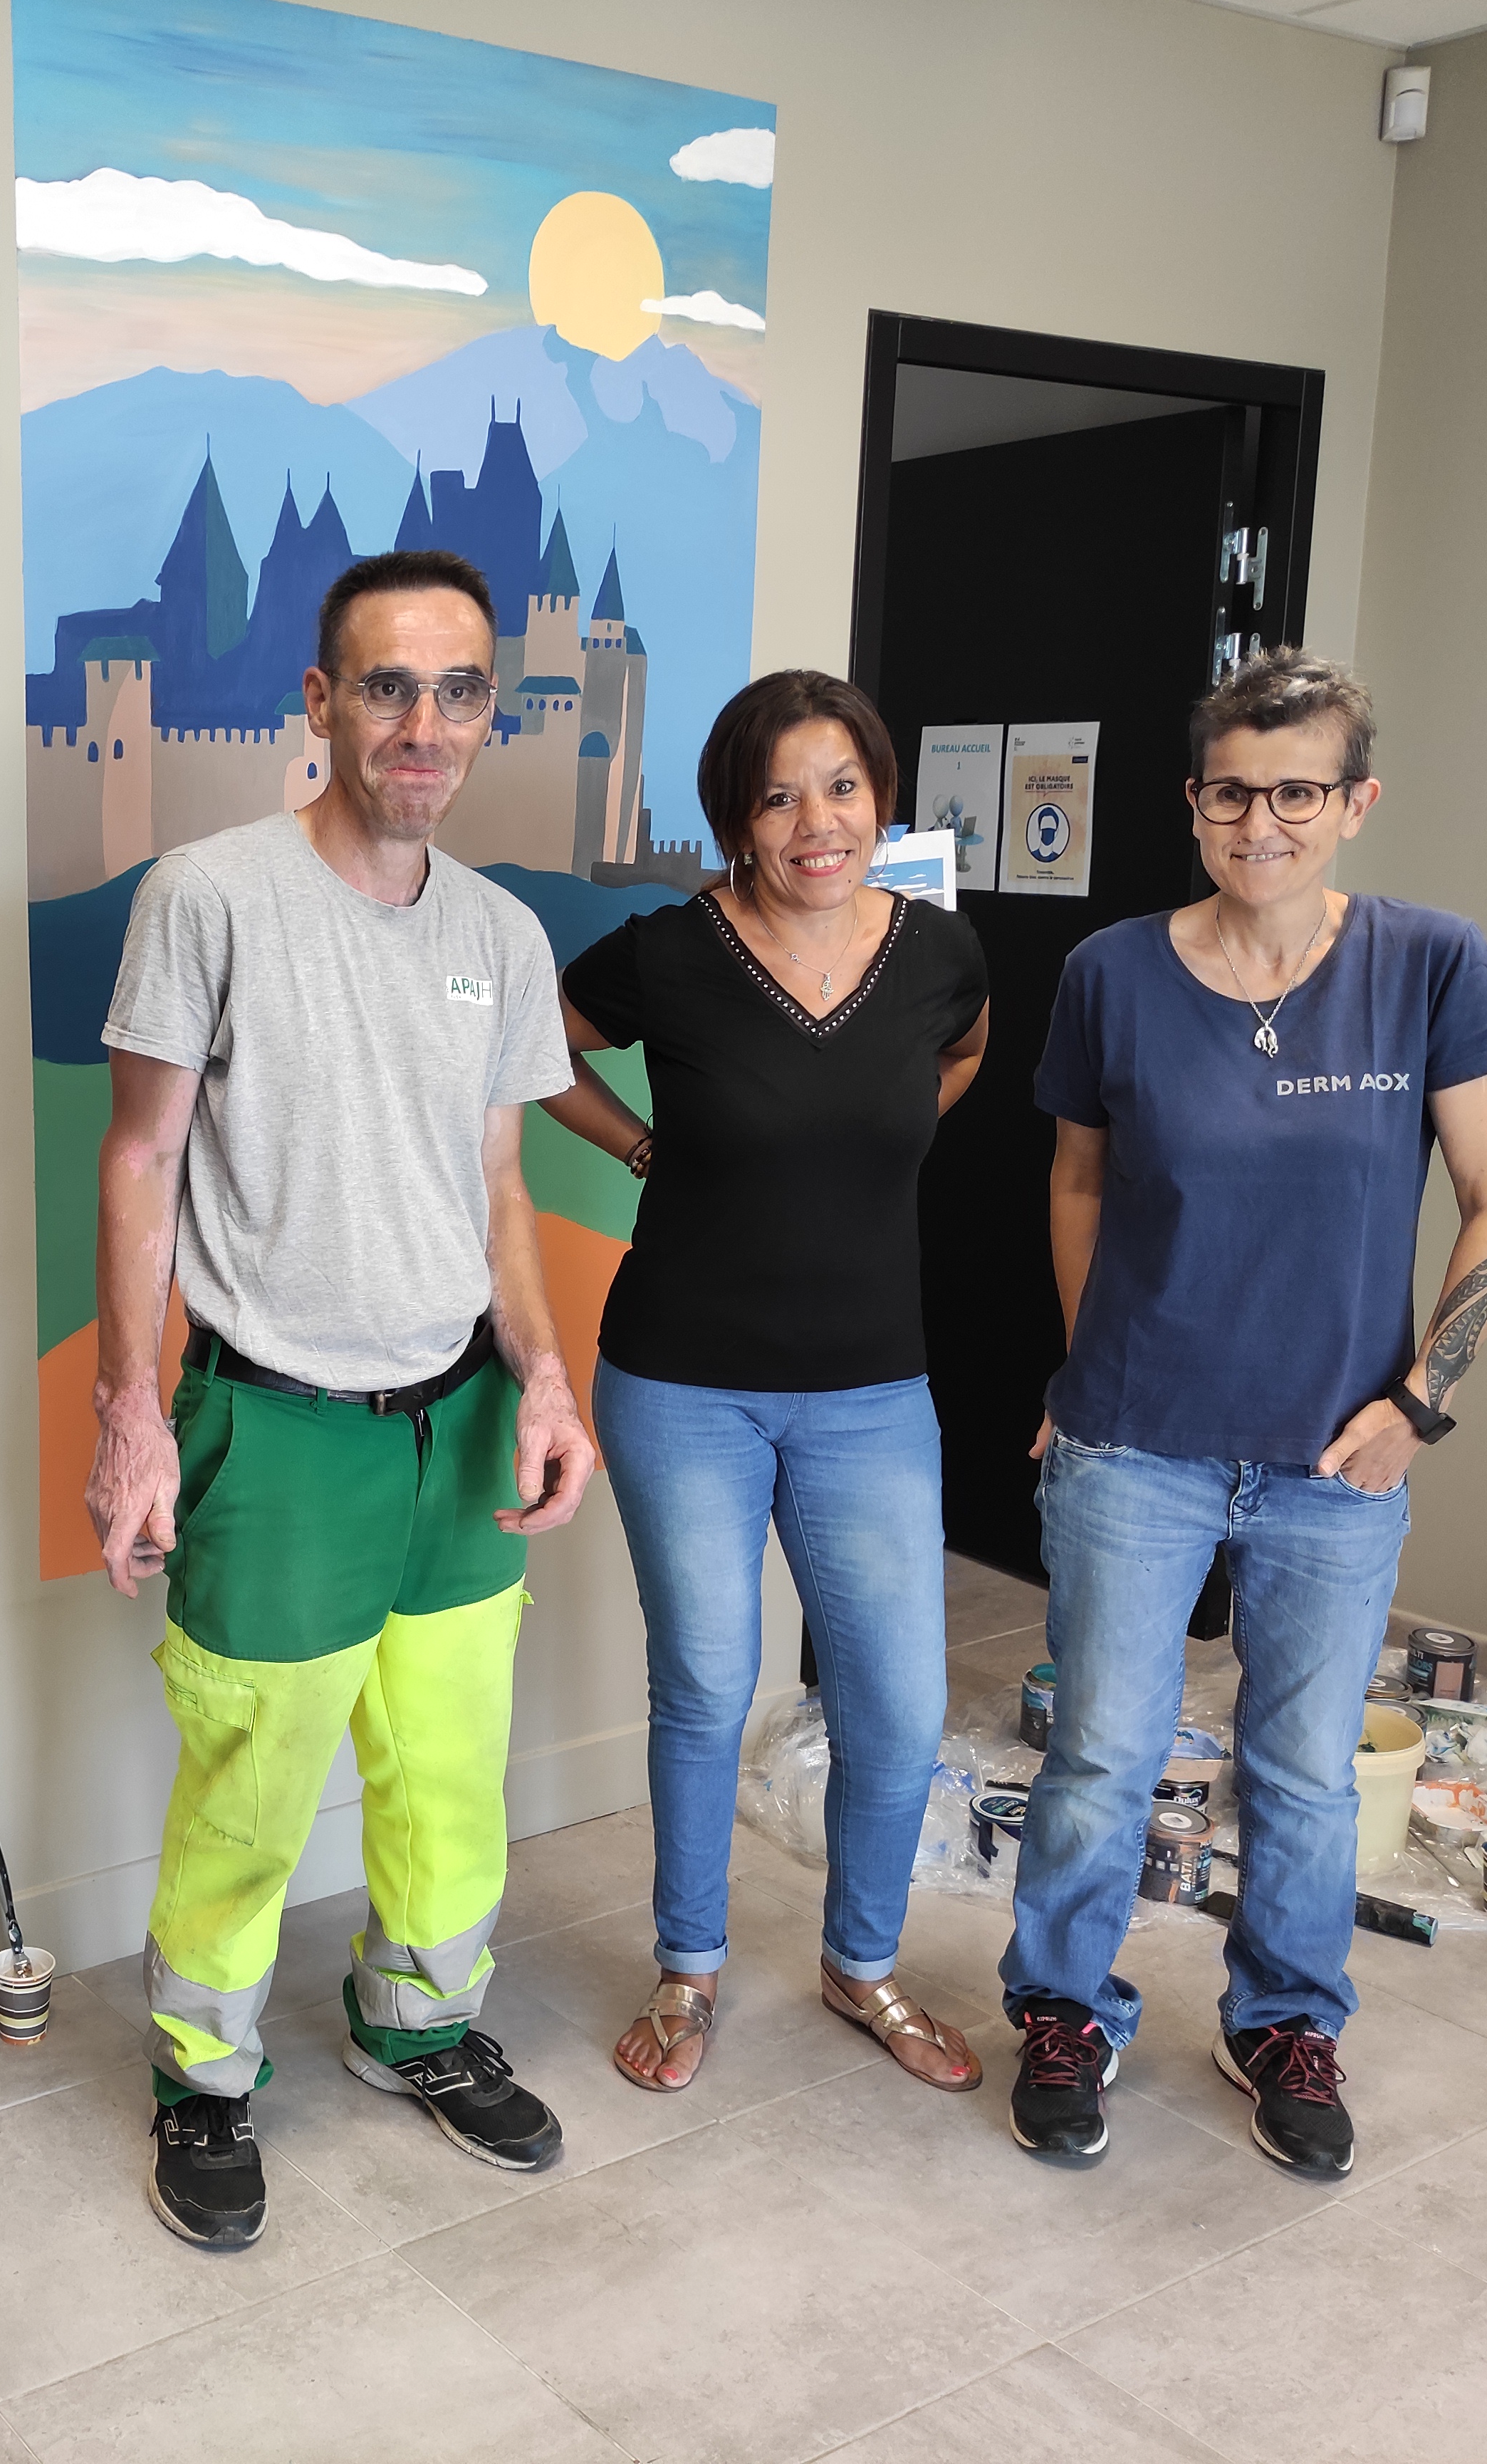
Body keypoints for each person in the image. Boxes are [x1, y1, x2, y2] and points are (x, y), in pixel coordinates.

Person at [88, 546, 600, 2251]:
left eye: (460, 689)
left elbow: (501, 1184)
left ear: (487, 715)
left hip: (454, 1425)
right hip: (277, 1420)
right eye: (387, 685)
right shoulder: (209, 895)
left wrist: (543, 1380)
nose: (424, 723)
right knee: (250, 1780)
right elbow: (142, 1156)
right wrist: (130, 1410)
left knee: (445, 1767)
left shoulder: (502, 934)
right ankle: (203, 2077)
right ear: (321, 702)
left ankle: (418, 2024)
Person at [1002, 649, 1487, 2181]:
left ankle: (1284, 2019)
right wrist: (1078, 1365)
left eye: (1295, 790)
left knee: (1300, 1767)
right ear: (1191, 801)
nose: (1261, 821)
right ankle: (1061, 2006)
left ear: (1352, 801)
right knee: (1100, 1752)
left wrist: (1419, 1404)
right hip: (1130, 1441)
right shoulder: (1111, 970)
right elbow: (1076, 1180)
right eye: (1231, 791)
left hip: (1331, 1457)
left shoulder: (1430, 966)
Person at [540, 670, 992, 2097]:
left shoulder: (939, 955)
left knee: (897, 1700)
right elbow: (538, 1040)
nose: (816, 820)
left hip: (868, 1389)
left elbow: (960, 1052)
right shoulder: (667, 953)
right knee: (706, 1682)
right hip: (681, 1380)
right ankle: (686, 1973)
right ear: (734, 815)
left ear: (881, 795)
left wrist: (852, 1142)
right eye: (779, 792)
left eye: (842, 785)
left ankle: (860, 1965)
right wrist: (635, 1145)